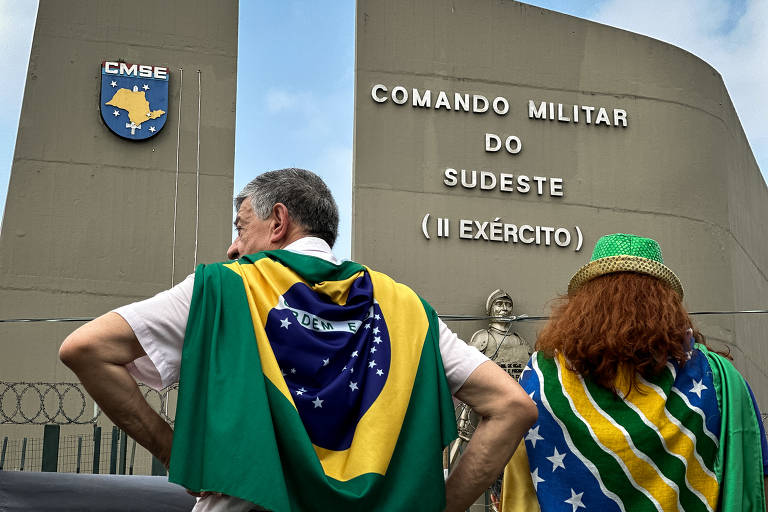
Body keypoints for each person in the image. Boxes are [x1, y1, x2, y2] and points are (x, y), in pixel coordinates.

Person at [59, 168, 537, 512]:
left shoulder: (225, 287)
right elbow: (512, 406)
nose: (233, 247)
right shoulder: (408, 308)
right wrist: (443, 505)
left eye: (240, 227)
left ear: (279, 221)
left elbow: (85, 348)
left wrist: (175, 452)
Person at [500, 233, 768, 512]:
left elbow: (520, 484)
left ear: (582, 306)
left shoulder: (541, 377)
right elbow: (756, 478)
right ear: (667, 305)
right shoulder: (719, 378)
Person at [469, 289, 531, 380]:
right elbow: (469, 369)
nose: (505, 308)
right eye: (499, 304)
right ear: (491, 309)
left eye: (508, 305)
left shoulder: (520, 340)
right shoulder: (483, 337)